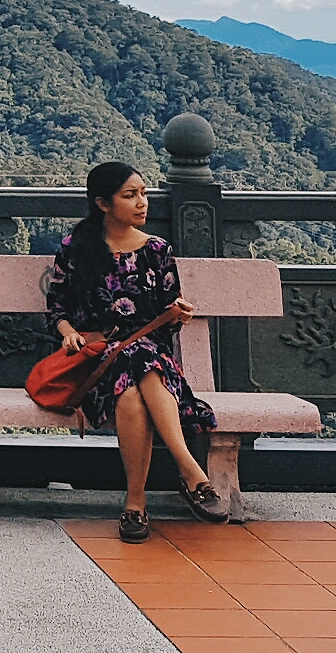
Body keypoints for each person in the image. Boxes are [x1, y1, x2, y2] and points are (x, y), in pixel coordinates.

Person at [46, 160, 230, 541]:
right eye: (130, 196)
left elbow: (167, 315)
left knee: (133, 388)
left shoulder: (157, 251)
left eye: (144, 193)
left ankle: (135, 503)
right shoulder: (77, 247)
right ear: (102, 203)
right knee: (131, 377)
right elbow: (57, 307)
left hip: (152, 362)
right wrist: (67, 333)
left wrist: (180, 313)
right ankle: (190, 470)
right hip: (99, 361)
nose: (142, 203)